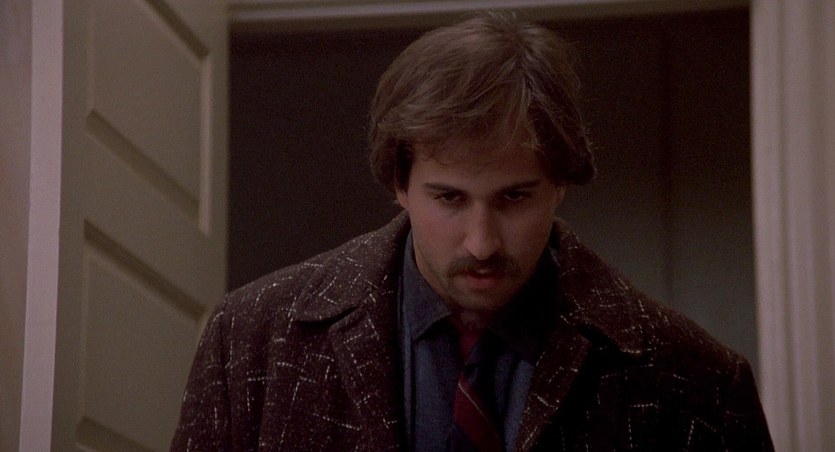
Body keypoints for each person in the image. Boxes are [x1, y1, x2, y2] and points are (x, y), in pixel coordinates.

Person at [172, 12, 773, 451]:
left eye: (515, 197)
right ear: (399, 184)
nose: (482, 242)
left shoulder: (698, 381)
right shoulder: (250, 340)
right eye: (449, 198)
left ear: (560, 185)